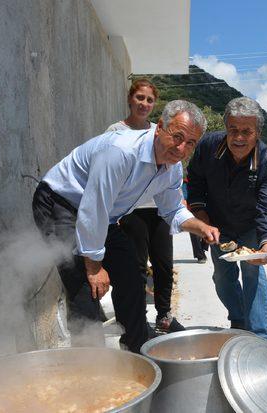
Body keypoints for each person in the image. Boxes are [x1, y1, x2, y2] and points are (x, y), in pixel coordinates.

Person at [32, 100, 219, 353]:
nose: (181, 148)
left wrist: (199, 226)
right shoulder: (120, 151)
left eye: (190, 143)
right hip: (60, 203)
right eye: (177, 137)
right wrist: (95, 265)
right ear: (160, 127)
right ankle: (89, 365)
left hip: (102, 216)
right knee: (85, 285)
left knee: (132, 273)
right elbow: (92, 207)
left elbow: (172, 208)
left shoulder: (172, 167)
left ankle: (137, 350)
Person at [187, 97, 267, 340]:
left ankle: (261, 339)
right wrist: (202, 218)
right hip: (218, 225)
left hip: (252, 225)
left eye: (246, 131)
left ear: (257, 133)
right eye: (233, 130)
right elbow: (195, 182)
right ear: (226, 128)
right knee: (222, 278)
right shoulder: (208, 147)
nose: (239, 138)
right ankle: (239, 319)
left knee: (253, 274)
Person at [106, 79, 185, 334]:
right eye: (140, 98)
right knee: (136, 266)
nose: (144, 104)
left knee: (163, 264)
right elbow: (108, 173)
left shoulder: (158, 131)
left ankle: (164, 316)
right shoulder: (115, 130)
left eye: (149, 100)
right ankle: (136, 319)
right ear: (130, 99)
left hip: (159, 208)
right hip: (132, 210)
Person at [182, 177, 208, 263]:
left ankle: (203, 248)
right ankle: (200, 255)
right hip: (192, 209)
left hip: (207, 208)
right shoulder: (186, 182)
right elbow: (185, 196)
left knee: (208, 228)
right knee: (195, 233)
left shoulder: (207, 177)